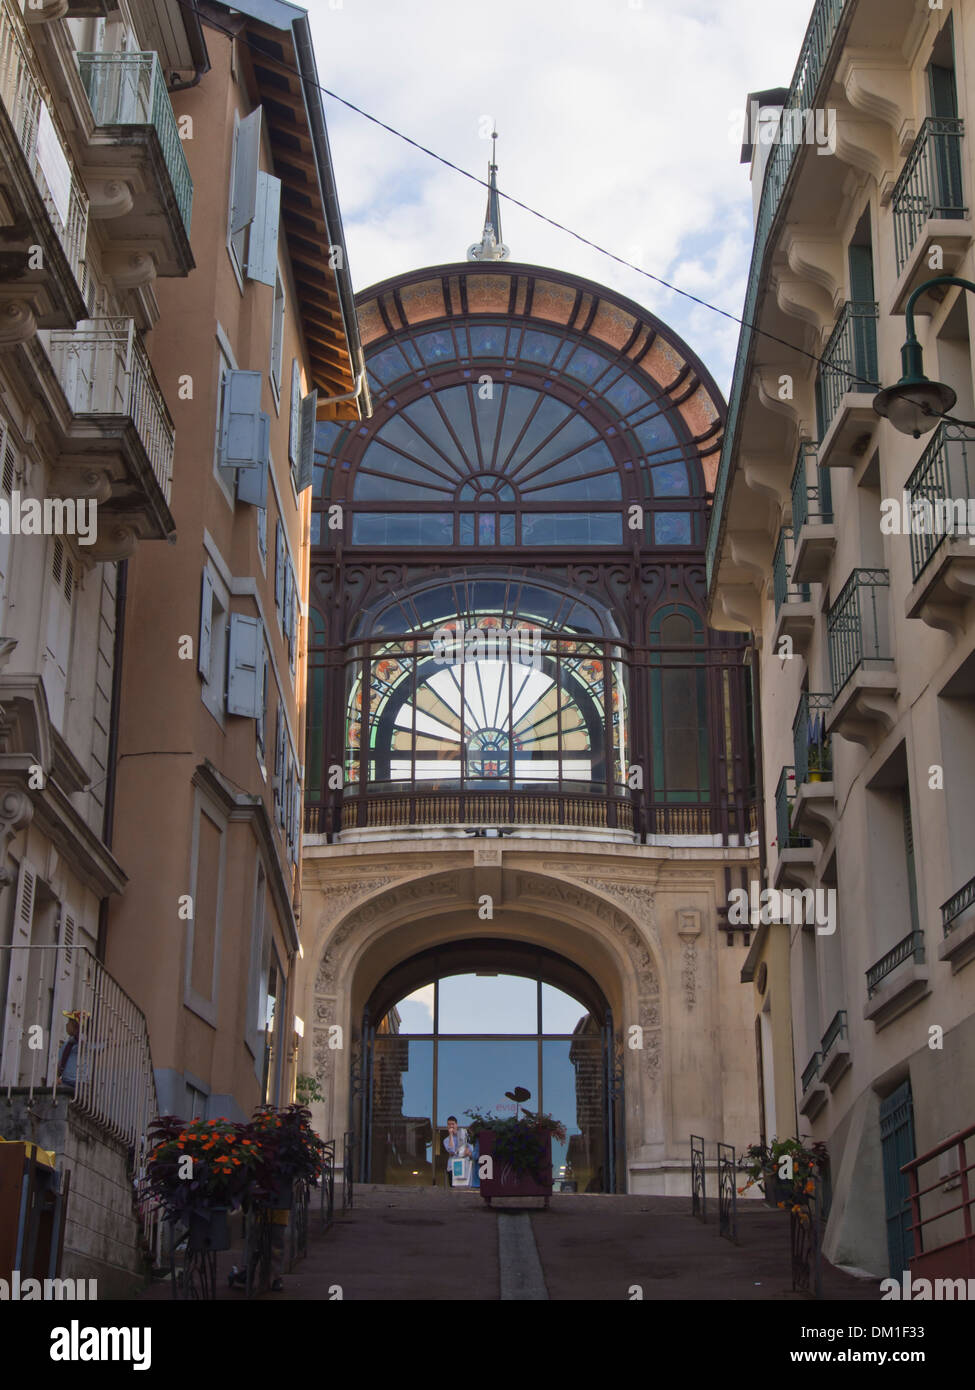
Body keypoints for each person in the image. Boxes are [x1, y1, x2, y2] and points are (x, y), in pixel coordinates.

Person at [443, 1116, 479, 1190]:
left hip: (464, 1165)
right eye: (449, 1124)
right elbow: (451, 1150)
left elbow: (470, 1150)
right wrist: (451, 1135)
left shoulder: (464, 1135)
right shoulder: (446, 1140)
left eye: (452, 1124)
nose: (451, 1126)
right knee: (453, 1188)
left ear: (456, 1125)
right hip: (452, 1166)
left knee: (465, 1186)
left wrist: (467, 1151)